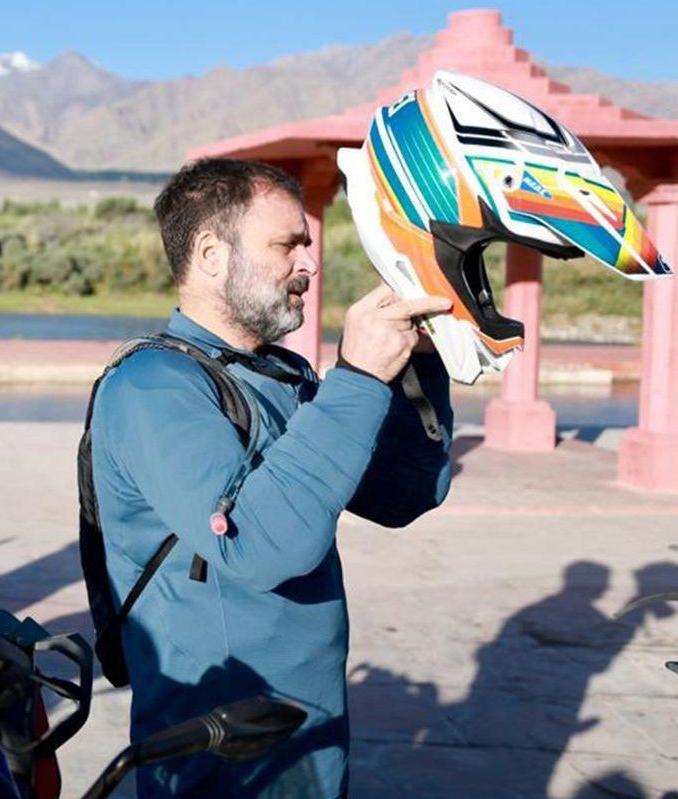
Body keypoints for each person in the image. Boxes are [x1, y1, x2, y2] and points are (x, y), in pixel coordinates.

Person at [88, 158, 454, 798]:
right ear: (210, 253)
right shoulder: (151, 387)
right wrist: (359, 379)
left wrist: (414, 370)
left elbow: (401, 497)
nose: (309, 266)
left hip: (310, 739)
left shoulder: (283, 376)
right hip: (218, 755)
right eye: (288, 244)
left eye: (307, 246)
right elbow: (258, 546)